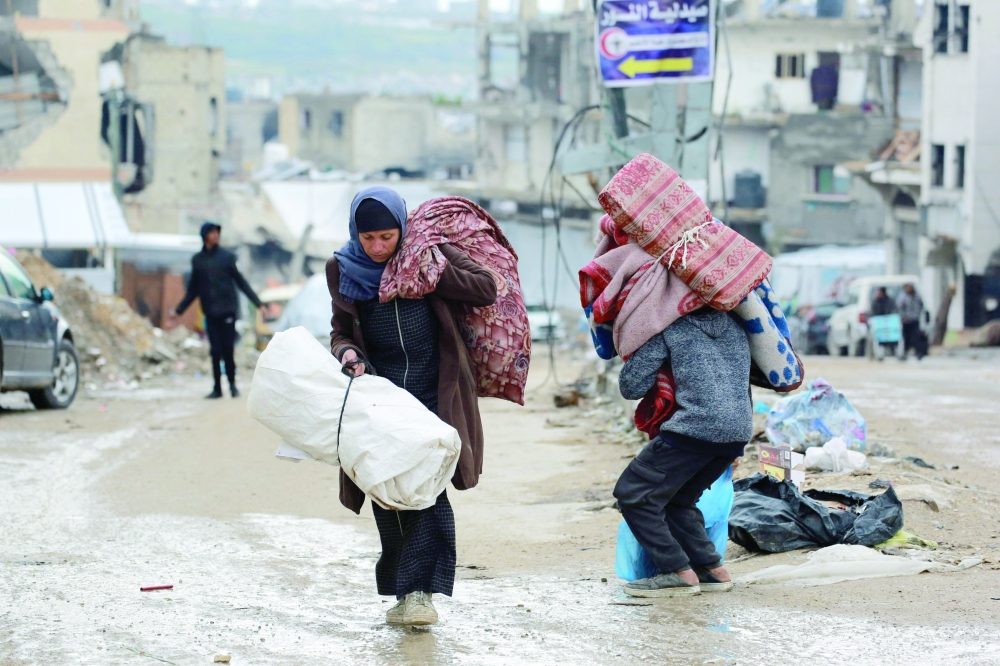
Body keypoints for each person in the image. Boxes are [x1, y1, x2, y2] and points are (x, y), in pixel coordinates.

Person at [325, 186, 497, 626]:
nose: (379, 248)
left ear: (402, 228)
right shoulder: (343, 269)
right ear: (355, 235)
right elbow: (341, 330)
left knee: (427, 487)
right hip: (380, 400)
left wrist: (434, 269)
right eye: (369, 240)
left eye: (387, 237)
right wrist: (348, 355)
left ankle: (422, 593)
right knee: (386, 490)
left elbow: (484, 288)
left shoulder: (430, 253)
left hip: (433, 395)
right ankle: (403, 591)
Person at [613, 307, 751, 597]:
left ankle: (678, 573)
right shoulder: (736, 325)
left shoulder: (668, 325)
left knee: (633, 493)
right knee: (678, 500)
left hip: (694, 429)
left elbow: (631, 386)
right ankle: (713, 570)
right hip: (736, 432)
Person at [170, 222, 265, 399]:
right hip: (210, 313)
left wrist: (258, 304)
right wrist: (179, 311)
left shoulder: (228, 257)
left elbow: (241, 282)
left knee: (228, 350)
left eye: (217, 233)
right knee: (214, 351)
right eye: (212, 233)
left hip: (228, 312)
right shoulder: (198, 260)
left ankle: (232, 385)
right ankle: (217, 388)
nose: (216, 236)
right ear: (205, 235)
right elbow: (193, 290)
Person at [896, 283, 926, 360]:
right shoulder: (902, 297)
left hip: (915, 320)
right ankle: (904, 353)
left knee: (917, 337)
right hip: (906, 321)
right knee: (906, 338)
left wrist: (920, 315)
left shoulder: (917, 296)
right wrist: (902, 317)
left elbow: (921, 306)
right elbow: (899, 308)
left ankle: (919, 353)